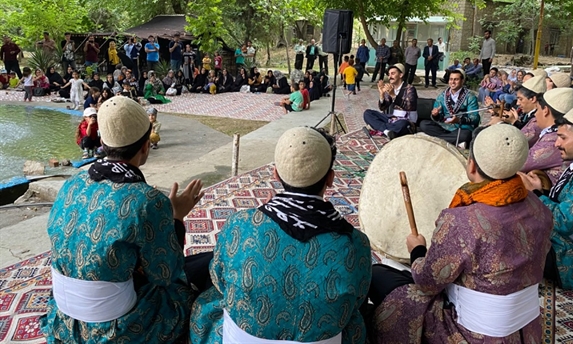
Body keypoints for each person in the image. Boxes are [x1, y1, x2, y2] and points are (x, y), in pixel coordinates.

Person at [40, 96, 212, 343]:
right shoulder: (147, 200)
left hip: (64, 321)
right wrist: (175, 218)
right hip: (116, 330)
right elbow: (165, 274)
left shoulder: (72, 183)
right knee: (197, 278)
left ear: (102, 141)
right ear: (145, 146)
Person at [370, 124, 553, 343]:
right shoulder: (540, 209)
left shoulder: (461, 220)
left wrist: (417, 250)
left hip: (475, 334)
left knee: (379, 275)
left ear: (472, 166)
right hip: (526, 331)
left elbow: (428, 282)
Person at [190, 127, 371, 344]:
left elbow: (219, 279)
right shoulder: (356, 244)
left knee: (207, 301)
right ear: (331, 178)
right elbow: (358, 300)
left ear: (275, 174)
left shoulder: (239, 225)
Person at [519, 102, 573, 291]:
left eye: (562, 138)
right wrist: (543, 191)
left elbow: (562, 222)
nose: (557, 143)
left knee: (512, 235)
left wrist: (535, 193)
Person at [521, 88, 573, 185]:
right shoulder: (554, 134)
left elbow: (518, 164)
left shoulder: (554, 140)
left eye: (537, 109)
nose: (535, 114)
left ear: (545, 110)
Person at [420, 69, 479, 145]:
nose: (453, 82)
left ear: (462, 81)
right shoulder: (442, 95)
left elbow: (475, 117)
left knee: (465, 135)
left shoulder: (470, 97)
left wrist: (458, 120)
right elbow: (438, 117)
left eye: (456, 79)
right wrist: (435, 114)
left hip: (460, 128)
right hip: (444, 126)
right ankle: (451, 140)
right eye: (451, 79)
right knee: (424, 124)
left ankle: (435, 139)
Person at [363, 63, 418, 140]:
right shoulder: (391, 88)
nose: (390, 77)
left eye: (393, 73)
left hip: (406, 121)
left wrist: (393, 95)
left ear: (401, 75)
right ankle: (387, 131)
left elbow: (409, 106)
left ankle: (380, 128)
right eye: (389, 74)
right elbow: (383, 107)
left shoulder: (410, 89)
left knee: (403, 124)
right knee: (368, 113)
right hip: (392, 119)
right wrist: (382, 94)